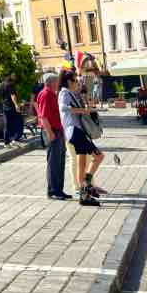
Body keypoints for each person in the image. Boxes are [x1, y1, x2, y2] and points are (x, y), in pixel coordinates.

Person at [58, 70, 104, 206]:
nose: (77, 83)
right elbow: (63, 108)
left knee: (83, 162)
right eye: (75, 81)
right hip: (74, 131)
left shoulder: (71, 93)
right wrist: (82, 110)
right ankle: (86, 187)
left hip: (77, 131)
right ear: (69, 82)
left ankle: (84, 191)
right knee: (97, 156)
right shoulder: (64, 92)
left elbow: (83, 97)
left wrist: (86, 105)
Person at [35, 70, 70, 200]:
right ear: (50, 83)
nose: (58, 84)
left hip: (57, 130)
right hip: (52, 131)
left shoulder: (52, 94)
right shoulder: (45, 95)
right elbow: (43, 116)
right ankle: (53, 191)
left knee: (60, 161)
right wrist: (49, 133)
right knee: (53, 162)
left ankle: (59, 190)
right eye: (56, 82)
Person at [0, 74, 23, 144]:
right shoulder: (10, 85)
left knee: (7, 124)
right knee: (19, 123)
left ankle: (6, 141)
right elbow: (13, 95)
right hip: (12, 107)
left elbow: (2, 96)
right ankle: (15, 139)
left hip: (5, 106)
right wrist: (17, 105)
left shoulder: (2, 84)